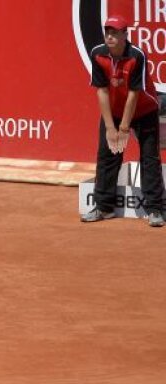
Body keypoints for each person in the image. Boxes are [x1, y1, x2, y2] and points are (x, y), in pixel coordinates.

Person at [82, 14, 165, 227]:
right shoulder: (97, 54)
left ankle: (155, 209)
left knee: (149, 158)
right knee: (107, 156)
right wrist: (111, 127)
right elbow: (101, 91)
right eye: (107, 32)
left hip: (144, 110)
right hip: (115, 111)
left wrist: (124, 128)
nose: (110, 36)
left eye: (115, 32)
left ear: (124, 35)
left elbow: (134, 94)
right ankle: (104, 207)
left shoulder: (137, 56)